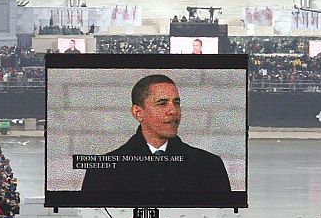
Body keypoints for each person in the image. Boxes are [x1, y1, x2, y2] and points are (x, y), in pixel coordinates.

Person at [81, 74, 231, 194]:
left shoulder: (209, 166)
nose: (173, 111)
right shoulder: (101, 171)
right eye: (162, 103)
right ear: (138, 112)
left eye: (176, 102)